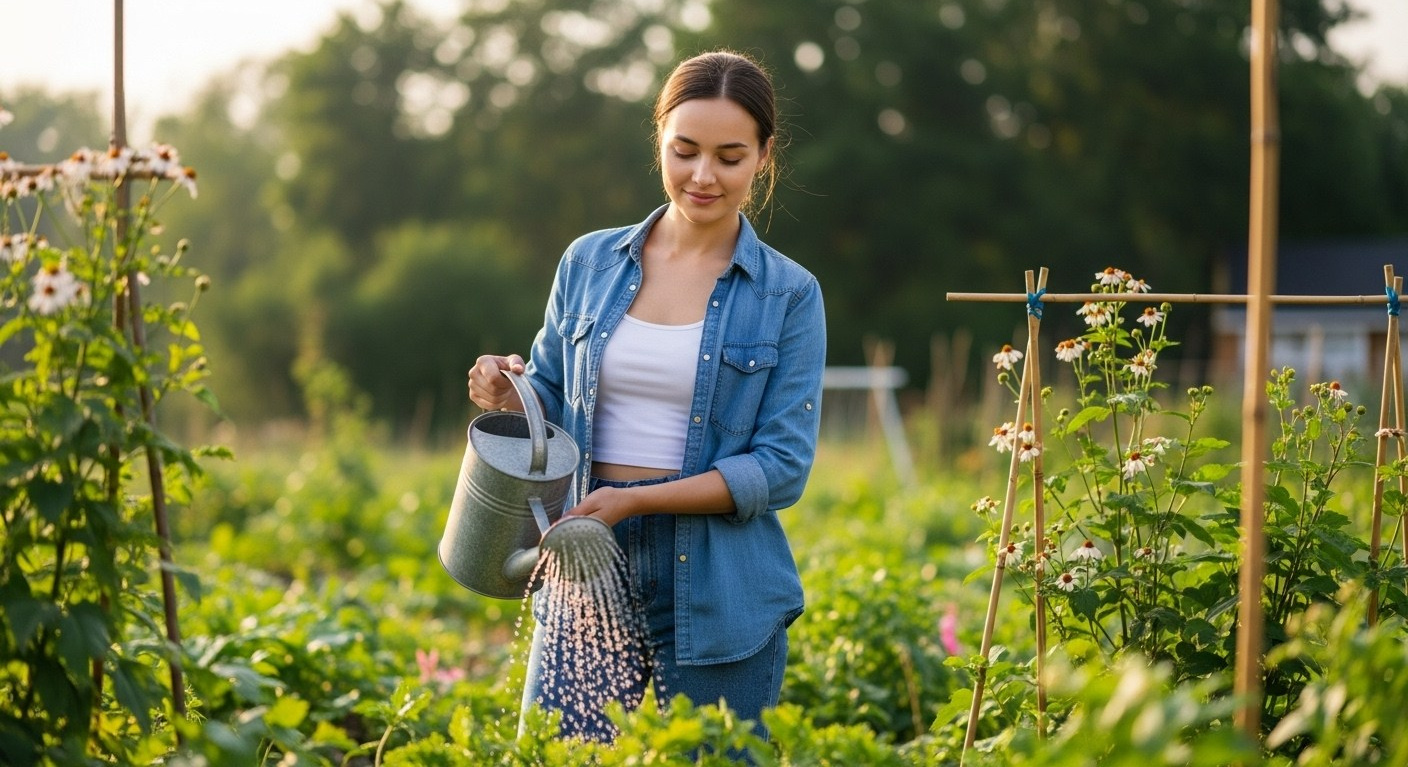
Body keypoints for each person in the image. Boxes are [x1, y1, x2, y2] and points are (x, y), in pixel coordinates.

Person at [467, 49, 826, 744]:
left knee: (712, 760)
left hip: (720, 585)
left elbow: (782, 466)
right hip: (586, 554)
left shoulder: (788, 294)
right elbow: (549, 391)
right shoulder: (588, 262)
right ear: (659, 138)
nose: (703, 175)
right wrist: (507, 389)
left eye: (729, 157)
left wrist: (639, 499)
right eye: (684, 150)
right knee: (563, 756)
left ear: (763, 156)